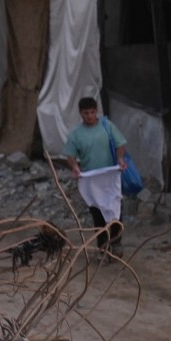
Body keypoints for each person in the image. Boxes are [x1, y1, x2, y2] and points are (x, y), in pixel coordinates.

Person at [63, 96, 129, 242]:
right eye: (86, 113)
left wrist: (120, 158)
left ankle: (116, 244)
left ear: (96, 111)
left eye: (92, 112)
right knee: (97, 213)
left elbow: (120, 144)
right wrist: (75, 167)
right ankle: (103, 247)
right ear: (81, 113)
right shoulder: (76, 134)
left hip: (110, 177)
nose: (90, 116)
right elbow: (70, 155)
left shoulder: (107, 126)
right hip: (91, 180)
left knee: (115, 211)